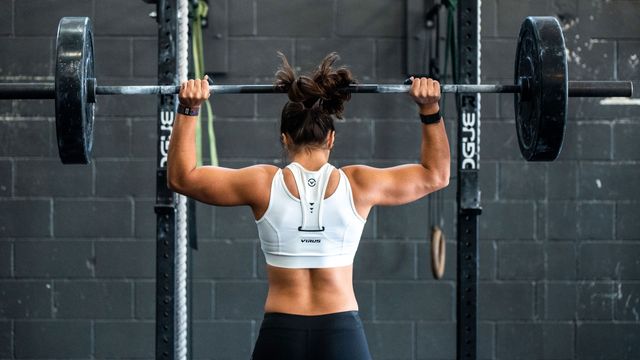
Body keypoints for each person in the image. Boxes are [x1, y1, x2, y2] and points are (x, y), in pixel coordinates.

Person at [168, 52, 450, 360]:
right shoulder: (359, 184)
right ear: (331, 138)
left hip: (281, 334)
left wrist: (188, 108)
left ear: (284, 138)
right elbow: (435, 175)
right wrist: (430, 108)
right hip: (342, 332)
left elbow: (183, 178)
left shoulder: (261, 183)